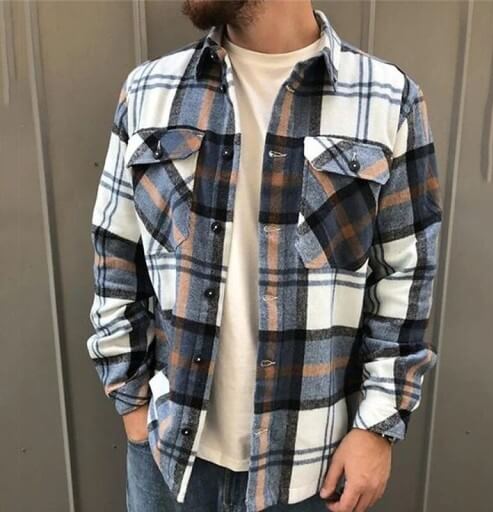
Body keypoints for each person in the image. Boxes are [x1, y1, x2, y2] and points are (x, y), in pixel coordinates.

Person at [86, 1, 443, 511]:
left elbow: (406, 274)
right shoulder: (149, 91)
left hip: (313, 472)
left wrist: (377, 427)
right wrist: (131, 403)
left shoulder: (387, 99)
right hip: (170, 456)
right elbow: (115, 249)